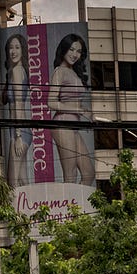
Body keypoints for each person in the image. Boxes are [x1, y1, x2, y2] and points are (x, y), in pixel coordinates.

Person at [49, 32, 95, 185]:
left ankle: (79, 208)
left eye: (79, 51)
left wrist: (86, 112)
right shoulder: (59, 72)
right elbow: (51, 102)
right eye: (71, 49)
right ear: (64, 49)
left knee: (88, 173)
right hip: (62, 125)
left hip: (73, 126)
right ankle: (68, 209)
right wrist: (80, 110)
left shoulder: (73, 73)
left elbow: (72, 101)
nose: (75, 54)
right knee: (70, 174)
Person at [0, 32, 32, 186]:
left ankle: (18, 210)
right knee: (22, 180)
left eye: (17, 47)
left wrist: (18, 136)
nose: (13, 51)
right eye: (10, 48)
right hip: (20, 129)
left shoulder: (17, 71)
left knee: (12, 182)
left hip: (20, 131)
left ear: (23, 50)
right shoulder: (14, 72)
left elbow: (18, 103)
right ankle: (33, 208)